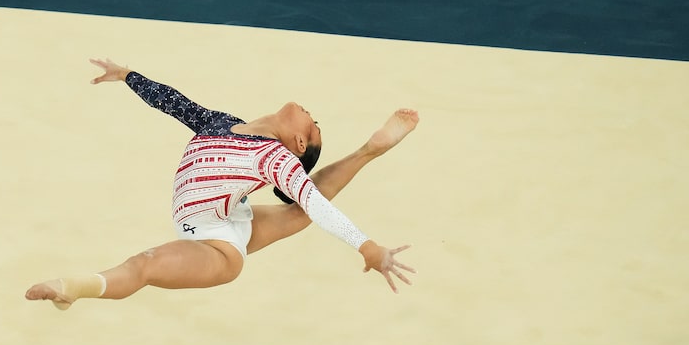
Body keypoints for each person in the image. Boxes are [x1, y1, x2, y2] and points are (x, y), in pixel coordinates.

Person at [25, 58, 418, 309]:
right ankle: (372, 149)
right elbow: (175, 103)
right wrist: (129, 76)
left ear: (298, 144)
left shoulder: (274, 157)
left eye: (313, 126)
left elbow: (316, 206)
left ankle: (73, 286)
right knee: (296, 214)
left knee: (143, 265)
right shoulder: (223, 122)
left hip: (219, 247)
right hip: (230, 217)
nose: (311, 115)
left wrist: (367, 247)